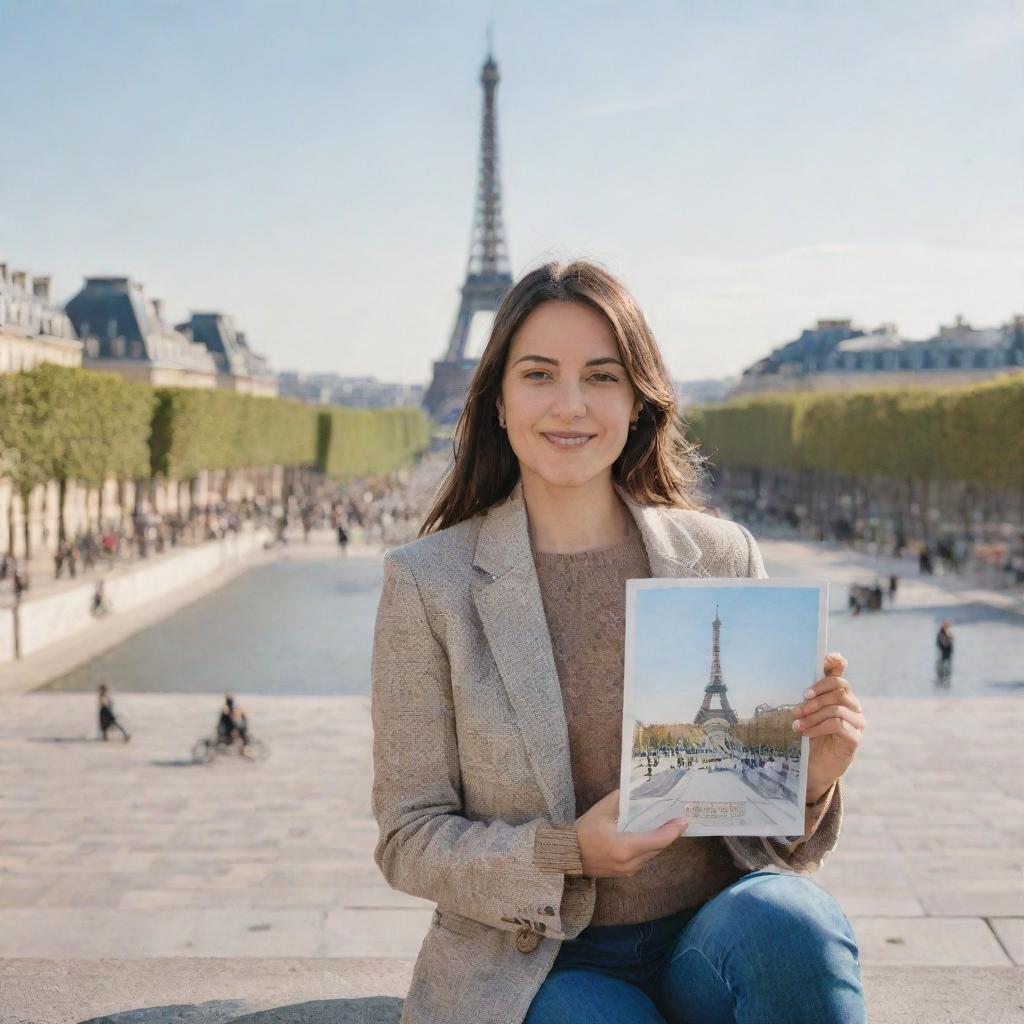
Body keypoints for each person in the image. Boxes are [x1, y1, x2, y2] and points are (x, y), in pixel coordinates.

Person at [371, 261, 867, 1024]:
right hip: (535, 958)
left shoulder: (723, 555)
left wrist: (811, 777)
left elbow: (764, 831)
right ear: (497, 401)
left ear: (637, 401)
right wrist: (568, 852)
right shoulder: (428, 584)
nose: (570, 404)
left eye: (601, 377)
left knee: (793, 927)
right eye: (539, 374)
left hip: (711, 932)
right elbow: (409, 837)